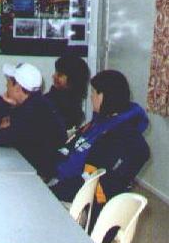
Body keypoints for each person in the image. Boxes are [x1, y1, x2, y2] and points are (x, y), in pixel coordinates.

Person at [48, 70, 150, 205]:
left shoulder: (117, 136)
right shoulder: (102, 120)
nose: (91, 97)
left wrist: (51, 191)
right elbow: (71, 145)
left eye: (94, 92)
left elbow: (89, 185)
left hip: (79, 199)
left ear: (103, 96)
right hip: (60, 176)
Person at [0, 63, 66, 179]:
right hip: (33, 169)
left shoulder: (31, 112)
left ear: (17, 88)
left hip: (37, 180)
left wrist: (1, 102)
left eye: (9, 83)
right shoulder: (36, 103)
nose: (6, 86)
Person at [46, 55, 91, 130]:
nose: (53, 76)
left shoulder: (53, 103)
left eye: (59, 74)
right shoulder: (50, 100)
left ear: (72, 79)